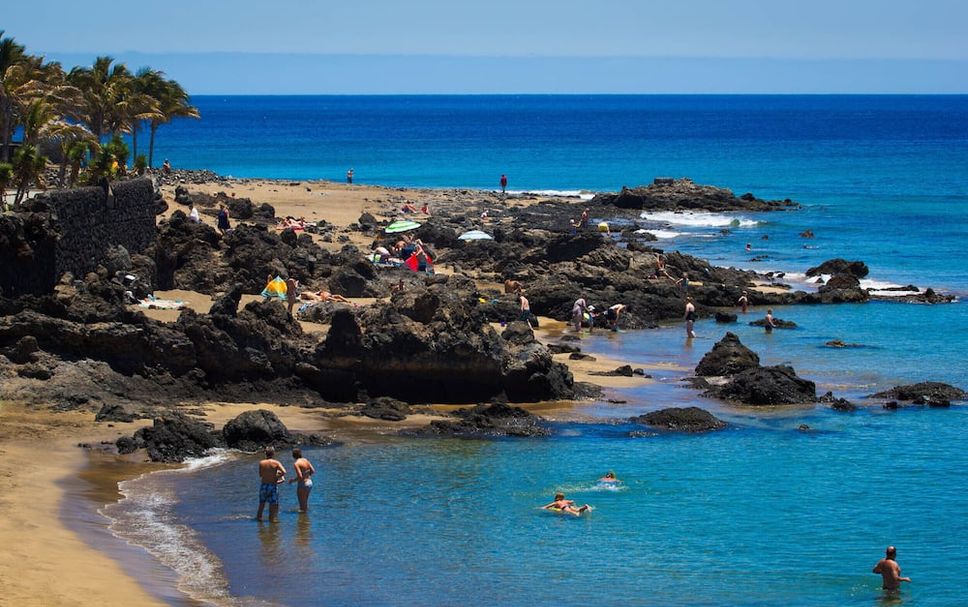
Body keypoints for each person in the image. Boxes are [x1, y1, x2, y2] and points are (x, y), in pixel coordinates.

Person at [256, 447, 286, 522]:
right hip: (272, 485)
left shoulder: (261, 463)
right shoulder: (276, 463)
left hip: (264, 485)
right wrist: (277, 476)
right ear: (273, 453)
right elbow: (284, 472)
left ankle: (259, 520)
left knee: (262, 503)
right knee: (272, 504)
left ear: (265, 453)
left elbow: (260, 475)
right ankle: (272, 520)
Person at [288, 448, 316, 513]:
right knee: (305, 503)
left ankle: (302, 521)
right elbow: (313, 471)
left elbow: (300, 476)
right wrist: (306, 475)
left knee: (302, 506)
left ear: (293, 455)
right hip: (309, 483)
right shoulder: (305, 460)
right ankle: (306, 521)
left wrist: (292, 480)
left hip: (303, 484)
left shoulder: (296, 463)